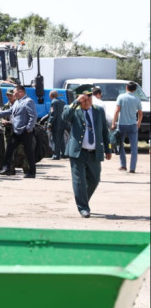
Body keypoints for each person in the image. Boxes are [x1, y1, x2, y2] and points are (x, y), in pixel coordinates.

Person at [62, 84, 111, 218]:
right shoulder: (73, 109)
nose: (87, 100)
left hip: (94, 151)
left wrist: (108, 148)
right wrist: (76, 102)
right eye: (84, 98)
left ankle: (83, 199)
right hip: (78, 152)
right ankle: (83, 207)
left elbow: (104, 131)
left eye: (89, 97)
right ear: (79, 98)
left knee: (95, 179)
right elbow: (64, 117)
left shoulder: (98, 110)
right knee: (79, 181)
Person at [0, 84, 37, 177]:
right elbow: (9, 111)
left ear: (20, 92)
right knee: (9, 149)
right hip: (16, 131)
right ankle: (6, 168)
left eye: (14, 92)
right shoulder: (17, 102)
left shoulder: (28, 101)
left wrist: (28, 128)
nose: (13, 94)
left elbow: (33, 116)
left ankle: (31, 172)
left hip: (25, 131)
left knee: (28, 152)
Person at [112, 81, 143, 173]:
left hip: (122, 124)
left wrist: (113, 123)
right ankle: (132, 168)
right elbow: (140, 113)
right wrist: (139, 122)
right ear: (135, 89)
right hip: (133, 125)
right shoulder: (137, 99)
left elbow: (117, 110)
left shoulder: (121, 97)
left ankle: (123, 165)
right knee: (134, 148)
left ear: (126, 87)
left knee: (120, 145)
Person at [47, 90, 66, 160]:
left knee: (54, 139)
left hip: (56, 124)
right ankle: (63, 153)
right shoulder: (63, 102)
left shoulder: (53, 102)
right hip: (62, 123)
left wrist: (49, 124)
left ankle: (56, 155)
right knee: (61, 139)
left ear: (51, 95)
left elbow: (53, 114)